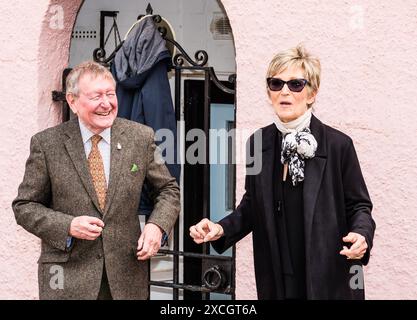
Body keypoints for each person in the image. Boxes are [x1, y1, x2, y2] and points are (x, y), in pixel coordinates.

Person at [189, 45, 376, 300]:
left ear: (312, 93)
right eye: (276, 84)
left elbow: (359, 206)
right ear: (269, 93)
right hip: (277, 279)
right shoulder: (258, 142)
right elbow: (252, 205)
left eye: (296, 84)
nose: (284, 91)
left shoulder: (338, 145)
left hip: (327, 278)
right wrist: (220, 229)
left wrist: (361, 235)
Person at [12, 61, 180, 300]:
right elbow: (24, 206)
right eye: (96, 96)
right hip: (68, 280)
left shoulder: (140, 137)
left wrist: (157, 226)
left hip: (126, 278)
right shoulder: (46, 144)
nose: (106, 103)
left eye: (110, 94)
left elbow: (168, 190)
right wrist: (68, 226)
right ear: (72, 101)